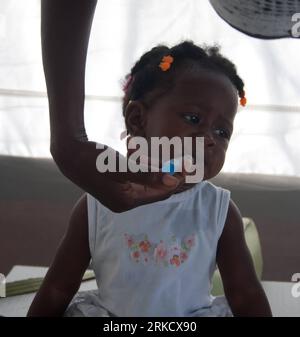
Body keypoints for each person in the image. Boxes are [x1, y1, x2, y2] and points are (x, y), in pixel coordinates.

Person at [27, 0, 272, 316]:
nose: (210, 140)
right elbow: (58, 287)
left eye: (223, 132)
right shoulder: (95, 205)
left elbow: (246, 296)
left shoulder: (219, 211)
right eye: (193, 119)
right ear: (138, 120)